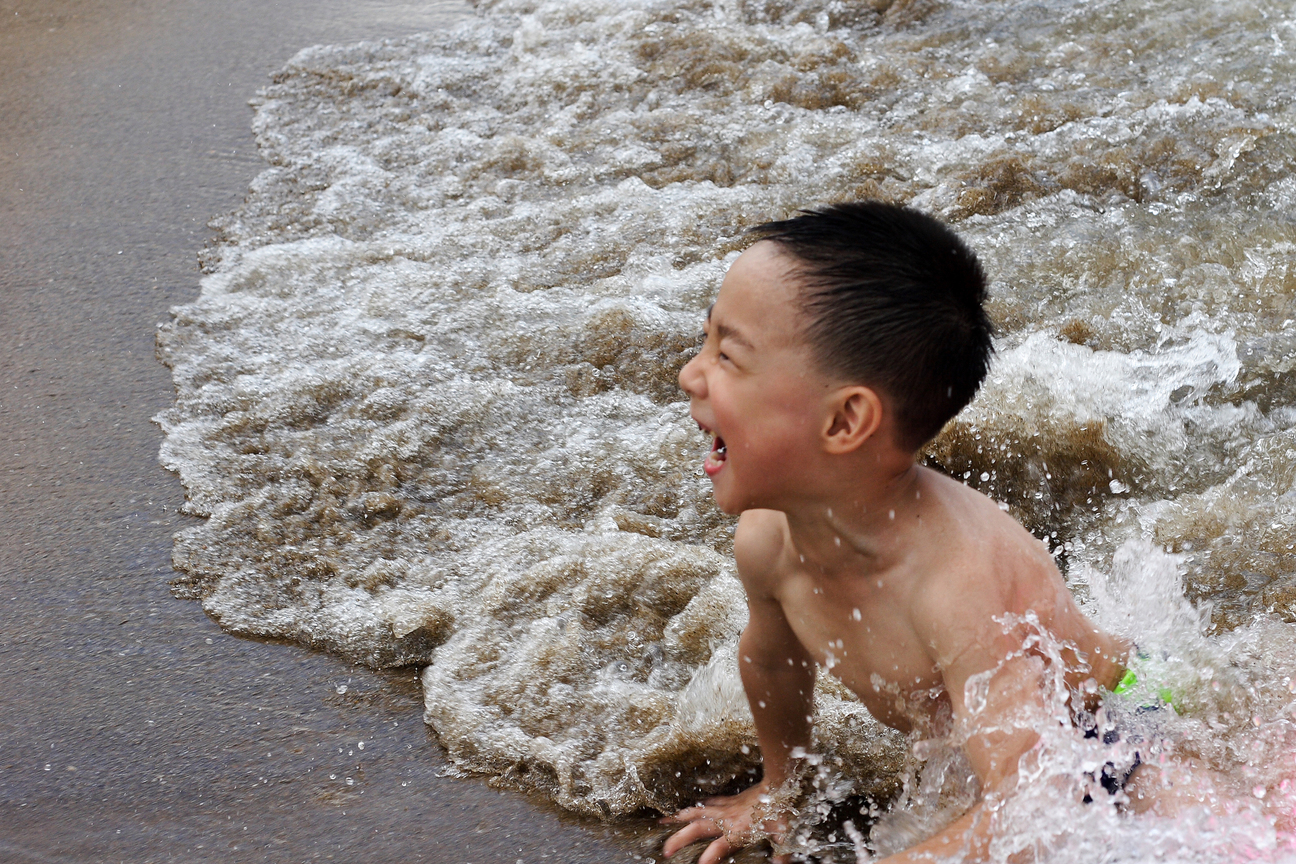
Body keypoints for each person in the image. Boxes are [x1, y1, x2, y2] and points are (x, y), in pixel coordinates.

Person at [660, 202, 1181, 864]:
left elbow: (1036, 805)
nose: (690, 374)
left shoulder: (953, 587)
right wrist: (778, 788)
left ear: (846, 421)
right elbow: (773, 660)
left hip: (1125, 722)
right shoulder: (770, 541)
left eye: (727, 356)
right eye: (706, 340)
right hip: (1025, 754)